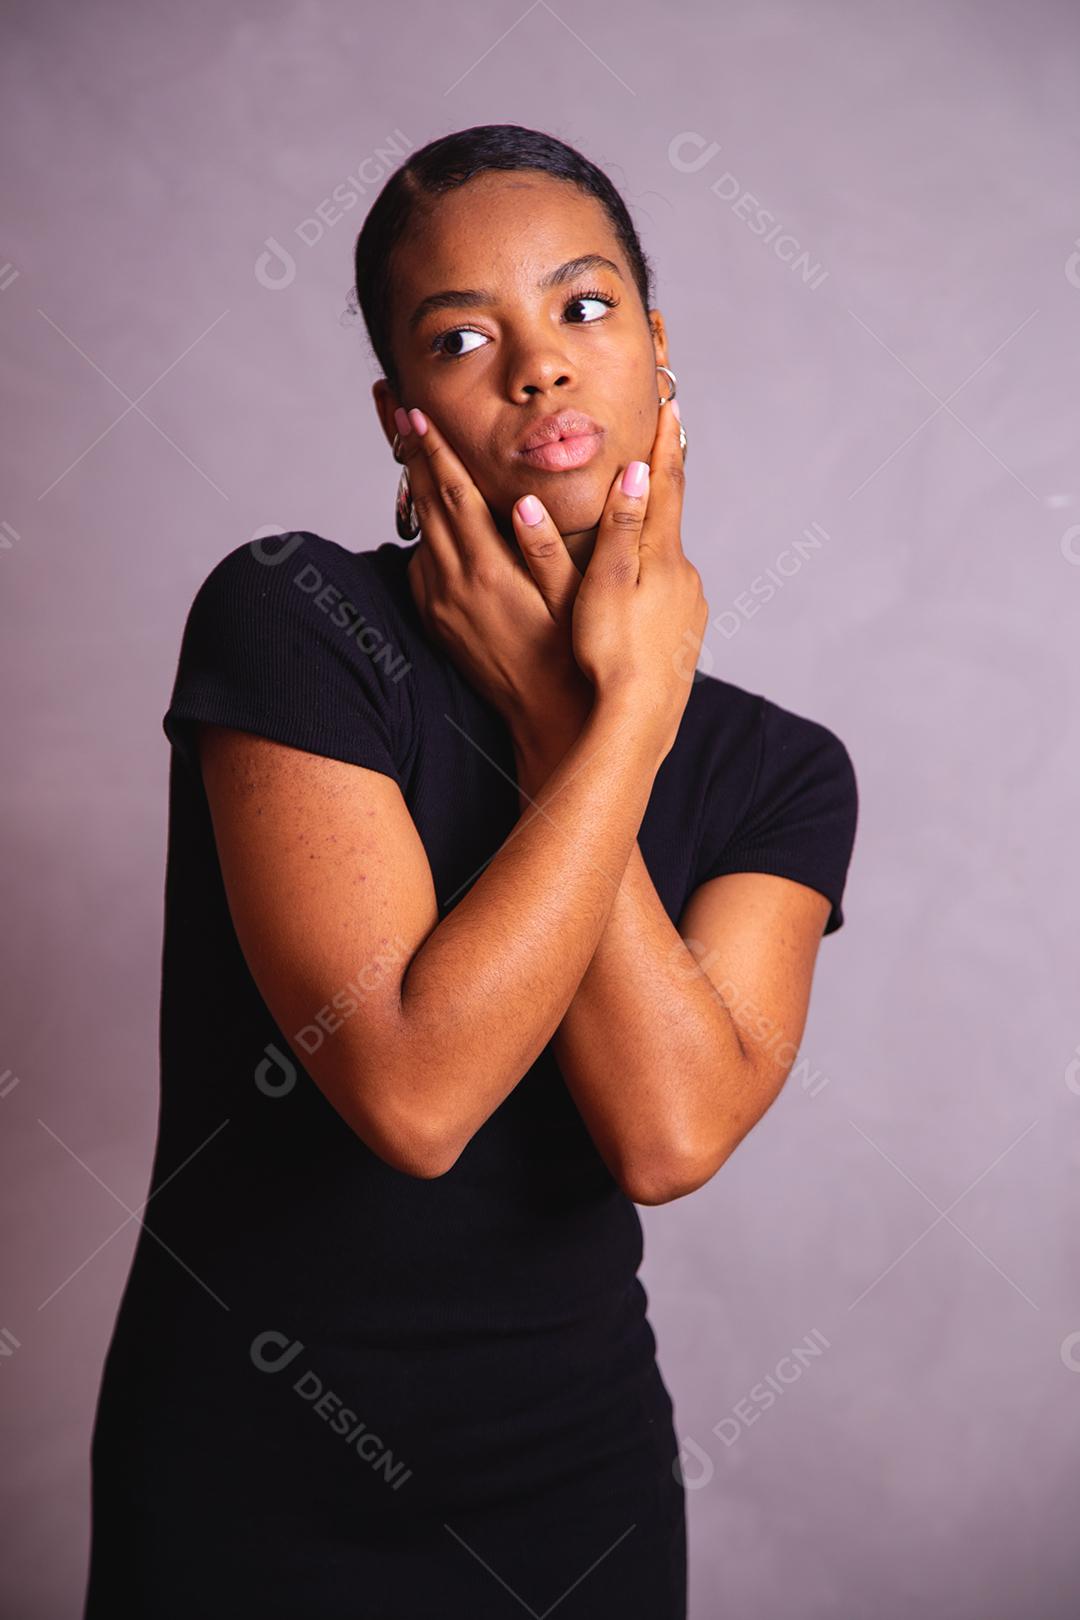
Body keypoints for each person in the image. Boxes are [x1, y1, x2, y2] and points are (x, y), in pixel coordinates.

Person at [83, 124, 858, 1619]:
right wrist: (618, 716)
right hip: (250, 1489)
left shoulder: (782, 771)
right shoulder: (292, 621)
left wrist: (582, 717)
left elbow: (669, 1133)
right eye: (462, 336)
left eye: (583, 308)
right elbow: (414, 1093)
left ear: (656, 345)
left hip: (576, 1497)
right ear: (400, 415)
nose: (540, 369)